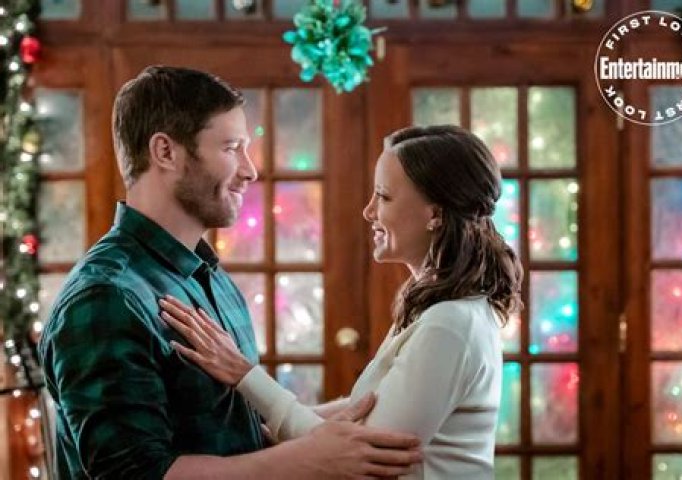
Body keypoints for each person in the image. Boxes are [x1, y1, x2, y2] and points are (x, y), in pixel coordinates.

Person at [38, 65, 423, 480]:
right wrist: (306, 460)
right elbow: (137, 475)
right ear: (165, 152)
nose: (249, 170)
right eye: (231, 148)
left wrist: (338, 419)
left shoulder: (208, 277)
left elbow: (238, 436)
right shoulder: (107, 297)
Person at [160, 124, 524, 479]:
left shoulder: (449, 324)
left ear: (435, 214)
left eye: (384, 196)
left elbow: (363, 458)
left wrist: (244, 375)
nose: (369, 211)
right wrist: (260, 424)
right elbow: (363, 411)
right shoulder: (434, 306)